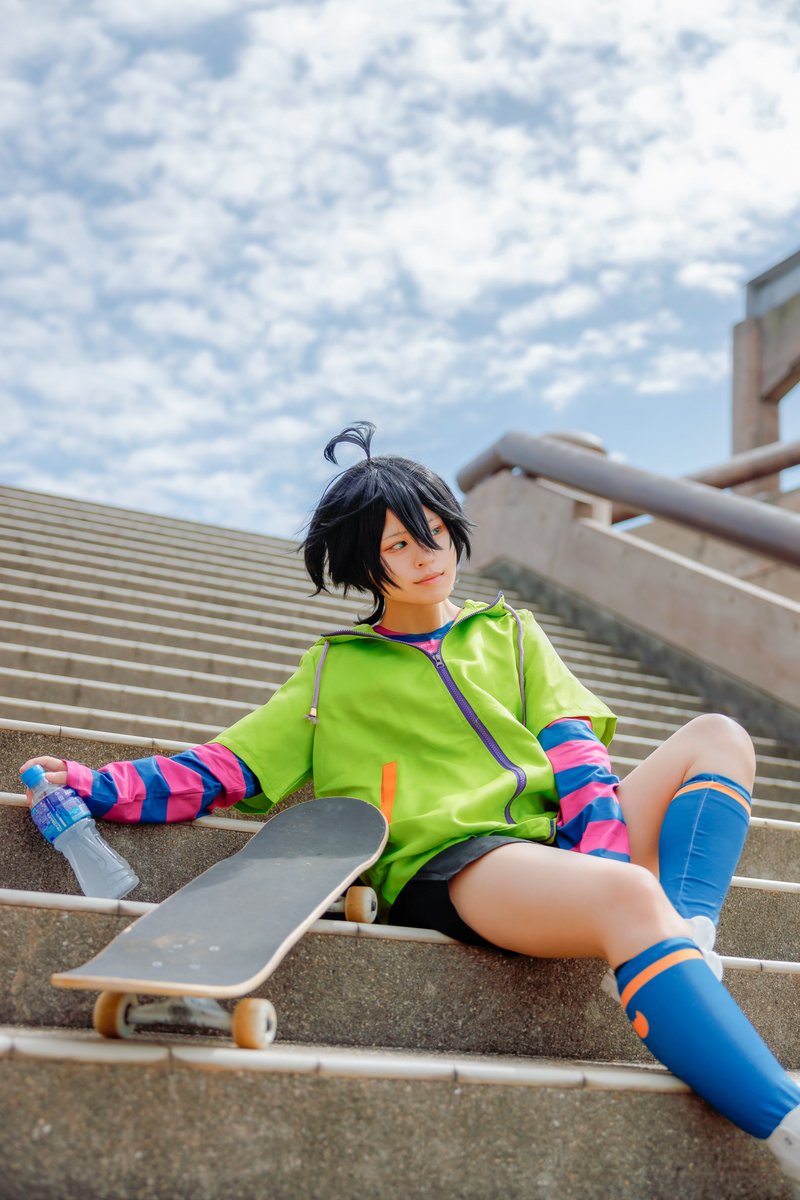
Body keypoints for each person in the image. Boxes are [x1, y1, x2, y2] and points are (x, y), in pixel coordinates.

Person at [21, 421, 800, 1187]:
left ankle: (690, 939)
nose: (426, 554)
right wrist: (99, 784)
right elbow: (227, 766)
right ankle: (787, 1125)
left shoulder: (512, 633)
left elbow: (576, 752)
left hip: (558, 840)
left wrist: (598, 855)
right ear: (365, 562)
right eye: (397, 544)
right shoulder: (334, 670)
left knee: (719, 737)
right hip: (456, 862)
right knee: (626, 892)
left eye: (433, 532)